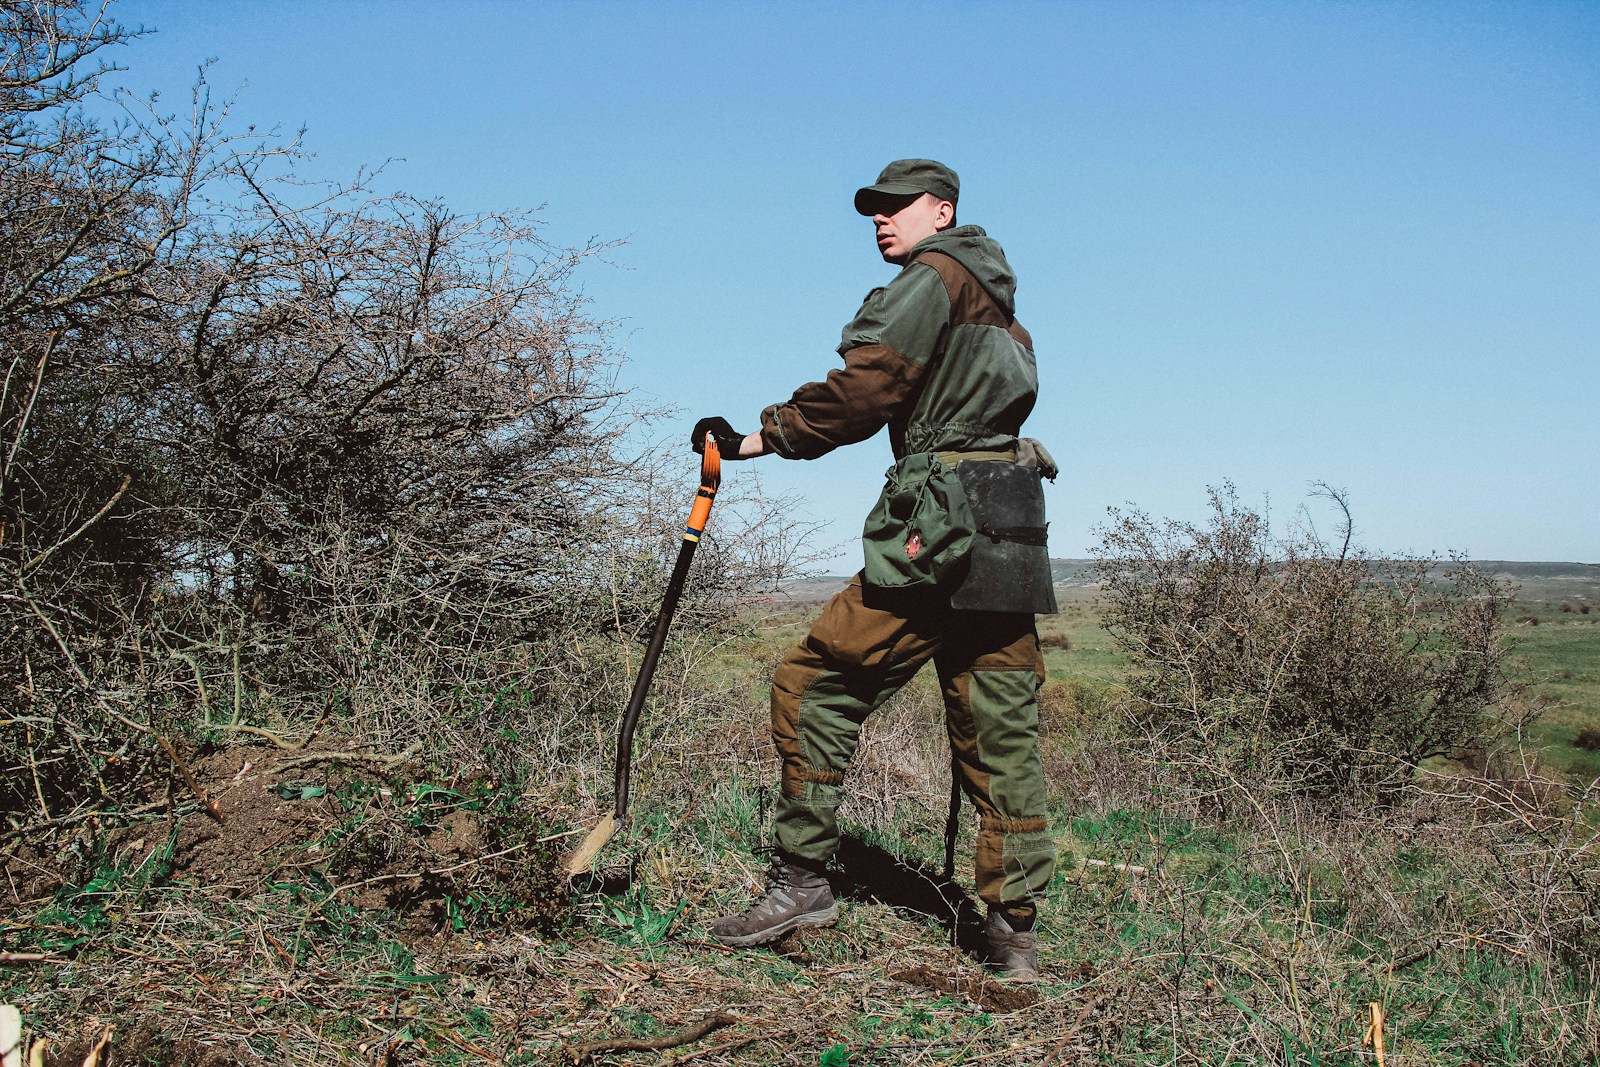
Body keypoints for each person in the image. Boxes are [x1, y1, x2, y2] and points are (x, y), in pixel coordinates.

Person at [692, 159, 1057, 978]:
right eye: (875, 211)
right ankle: (1012, 932)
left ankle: (802, 881)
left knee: (815, 682)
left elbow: (866, 394)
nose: (882, 221)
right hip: (1007, 518)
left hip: (938, 525)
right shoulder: (1000, 303)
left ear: (943, 210)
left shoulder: (932, 279)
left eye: (898, 208)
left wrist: (755, 439)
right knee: (998, 721)